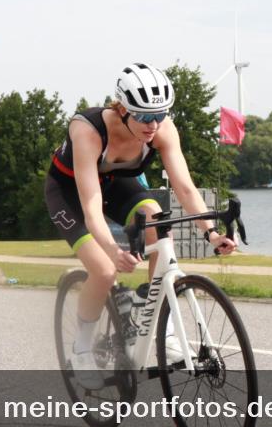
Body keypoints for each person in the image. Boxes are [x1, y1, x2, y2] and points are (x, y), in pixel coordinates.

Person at [45, 62, 236, 388]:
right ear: (121, 109)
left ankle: (159, 320)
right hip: (71, 193)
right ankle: (81, 349)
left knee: (158, 222)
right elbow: (92, 210)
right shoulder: (88, 131)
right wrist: (111, 250)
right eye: (145, 117)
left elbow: (186, 189)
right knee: (104, 271)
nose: (153, 124)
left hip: (118, 185)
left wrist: (212, 233)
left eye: (160, 114)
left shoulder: (162, 130)